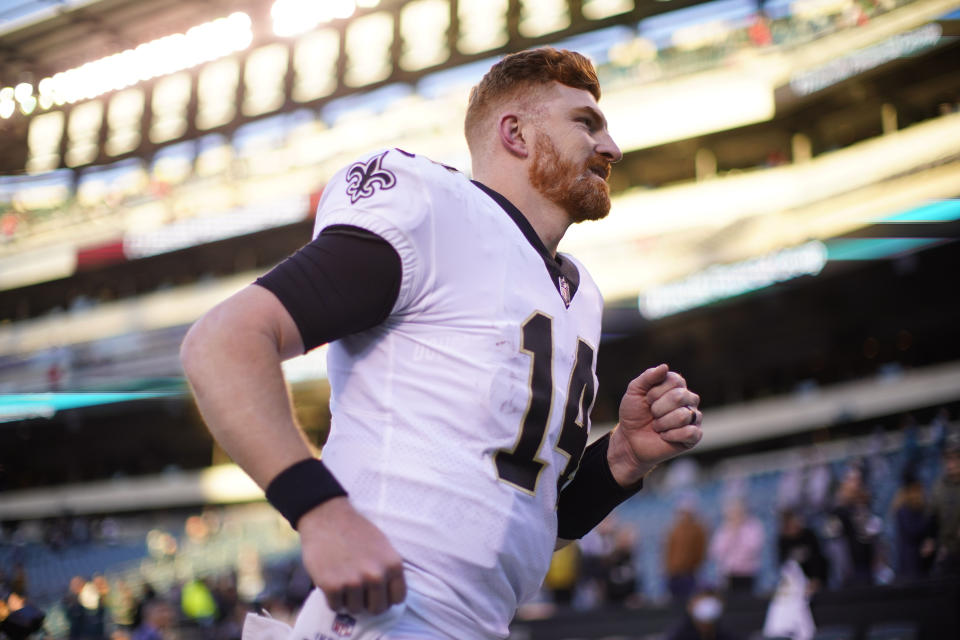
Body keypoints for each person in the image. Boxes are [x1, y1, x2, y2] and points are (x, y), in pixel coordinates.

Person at [181, 47, 704, 640]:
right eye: (586, 123)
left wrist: (623, 459)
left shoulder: (580, 293)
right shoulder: (435, 207)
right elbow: (222, 341)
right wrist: (320, 511)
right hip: (385, 617)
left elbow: (521, 520)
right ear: (516, 133)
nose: (611, 147)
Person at [708, 498, 765, 596]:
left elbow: (754, 548)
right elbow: (717, 551)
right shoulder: (724, 529)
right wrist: (731, 533)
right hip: (729, 573)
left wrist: (739, 533)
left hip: (748, 572)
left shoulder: (753, 526)